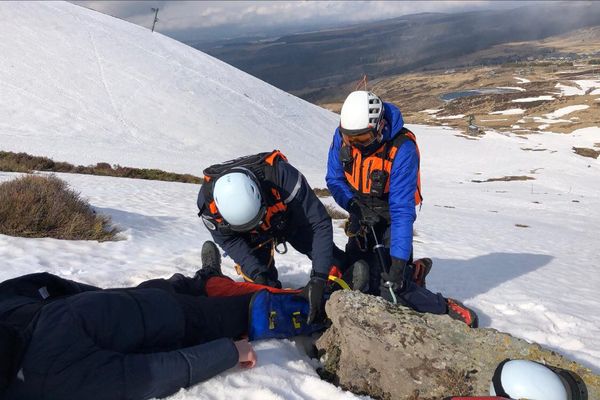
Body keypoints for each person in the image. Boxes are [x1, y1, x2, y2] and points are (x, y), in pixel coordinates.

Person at [0, 242, 312, 400]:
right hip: (179, 324)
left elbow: (47, 284)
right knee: (257, 309)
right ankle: (321, 303)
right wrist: (230, 352)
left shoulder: (7, 309)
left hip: (137, 299)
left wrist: (102, 297)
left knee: (187, 284)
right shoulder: (49, 378)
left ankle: (209, 278)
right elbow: (146, 376)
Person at [326, 90, 478, 327]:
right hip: (361, 209)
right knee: (356, 275)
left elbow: (401, 211)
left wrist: (397, 261)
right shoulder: (342, 136)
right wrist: (353, 206)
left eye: (363, 139)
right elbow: (334, 179)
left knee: (391, 287)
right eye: (350, 140)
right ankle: (411, 269)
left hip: (390, 213)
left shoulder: (402, 148)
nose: (356, 146)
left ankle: (442, 306)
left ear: (379, 126)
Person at [196, 150, 366, 324]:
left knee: (331, 262)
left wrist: (319, 277)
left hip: (289, 220)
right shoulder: (208, 205)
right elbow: (230, 241)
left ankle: (341, 284)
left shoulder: (283, 177)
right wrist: (256, 271)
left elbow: (319, 223)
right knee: (260, 289)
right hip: (251, 238)